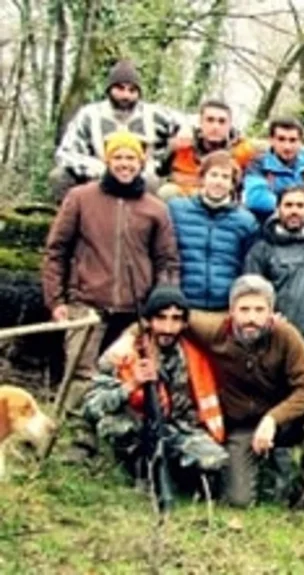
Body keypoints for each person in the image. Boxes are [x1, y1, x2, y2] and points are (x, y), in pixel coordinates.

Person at [43, 131, 180, 462]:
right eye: (118, 157)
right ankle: (80, 440)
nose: (124, 164)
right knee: (81, 373)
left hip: (135, 311)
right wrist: (57, 301)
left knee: (134, 375)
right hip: (86, 302)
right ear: (107, 160)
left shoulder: (156, 209)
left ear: (141, 162)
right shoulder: (80, 198)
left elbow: (167, 261)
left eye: (130, 158)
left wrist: (160, 306)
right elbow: (55, 251)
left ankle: (130, 443)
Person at [183, 275, 304, 507]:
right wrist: (130, 336)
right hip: (242, 425)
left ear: (271, 312)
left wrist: (273, 419)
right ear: (231, 310)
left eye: (259, 309)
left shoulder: (286, 334)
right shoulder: (215, 329)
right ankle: (258, 471)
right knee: (238, 500)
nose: (251, 318)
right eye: (244, 309)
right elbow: (163, 314)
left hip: (283, 421)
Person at [82, 285, 228, 487]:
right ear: (147, 321)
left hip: (176, 430)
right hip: (136, 428)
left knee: (214, 460)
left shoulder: (193, 357)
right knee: (116, 427)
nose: (168, 328)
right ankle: (134, 470)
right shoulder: (122, 354)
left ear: (185, 323)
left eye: (176, 319)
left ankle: (176, 475)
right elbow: (90, 407)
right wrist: (131, 385)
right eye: (161, 318)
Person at [50, 60, 182, 202]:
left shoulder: (154, 115)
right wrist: (97, 168)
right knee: (59, 176)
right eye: (120, 88)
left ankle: (148, 222)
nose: (126, 95)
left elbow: (190, 124)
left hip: (144, 181)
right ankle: (70, 218)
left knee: (155, 181)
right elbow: (65, 153)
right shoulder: (89, 115)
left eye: (132, 90)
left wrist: (172, 148)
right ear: (109, 89)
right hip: (98, 179)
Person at [244, 188, 304, 357]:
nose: (294, 211)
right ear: (278, 209)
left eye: (300, 205)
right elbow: (251, 298)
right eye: (288, 205)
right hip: (280, 346)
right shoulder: (261, 251)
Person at [169, 150, 259, 311]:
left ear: (233, 183)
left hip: (224, 307)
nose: (219, 182)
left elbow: (248, 267)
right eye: (214, 175)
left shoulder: (246, 221)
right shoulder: (177, 210)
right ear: (203, 178)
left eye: (225, 177)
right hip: (183, 304)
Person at [158, 99, 260, 199]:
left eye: (222, 121)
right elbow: (161, 173)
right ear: (200, 122)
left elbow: (246, 185)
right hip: (186, 198)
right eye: (210, 120)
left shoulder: (243, 149)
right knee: (166, 192)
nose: (215, 126)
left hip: (223, 202)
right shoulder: (184, 143)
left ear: (229, 125)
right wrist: (171, 148)